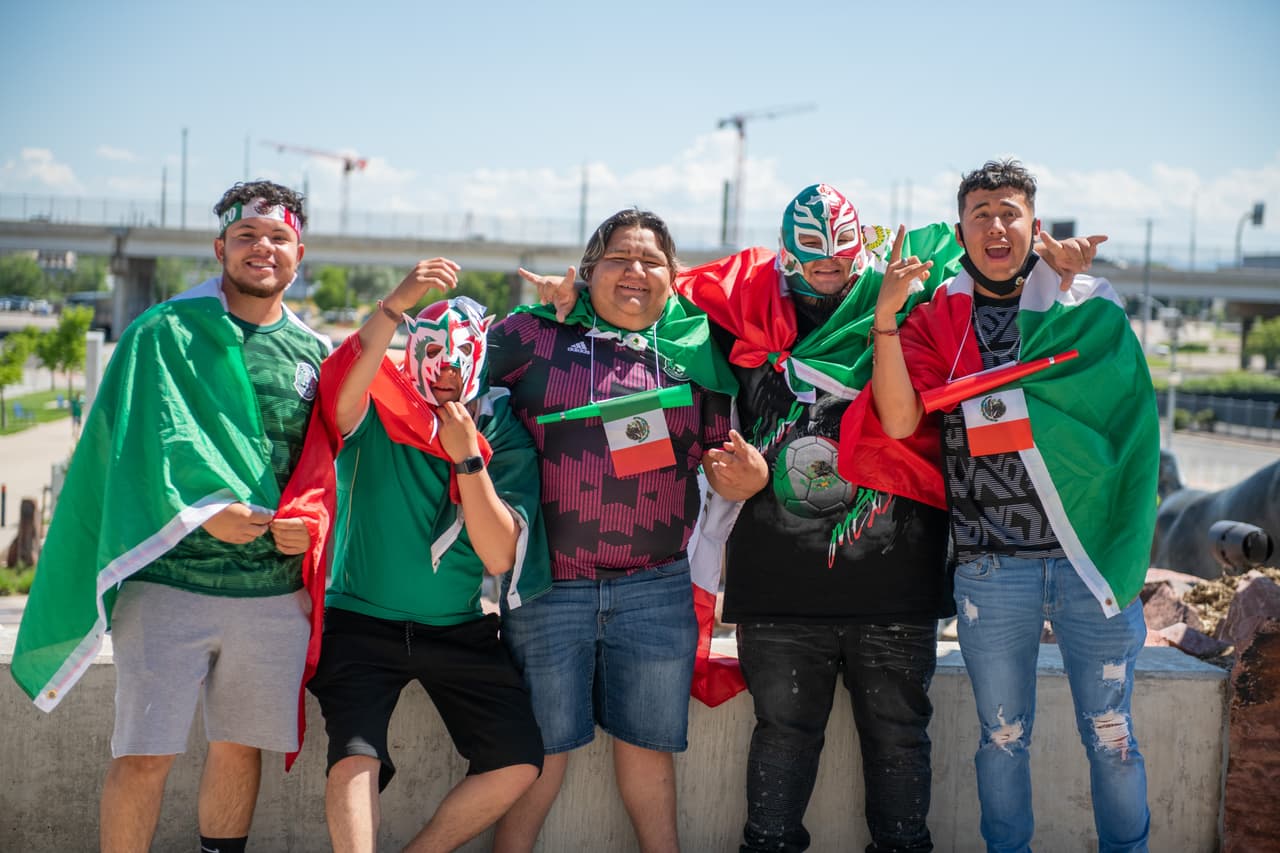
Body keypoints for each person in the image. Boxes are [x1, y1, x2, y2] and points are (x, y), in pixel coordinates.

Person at [12, 180, 331, 853]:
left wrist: (312, 523)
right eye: (246, 236)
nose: (262, 248)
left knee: (239, 749)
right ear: (220, 247)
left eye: (278, 237)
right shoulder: (161, 334)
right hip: (168, 587)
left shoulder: (316, 353)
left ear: (299, 254)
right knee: (143, 755)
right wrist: (200, 512)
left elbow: (325, 468)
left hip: (272, 593)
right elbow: (129, 447)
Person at [864, 159, 1154, 852]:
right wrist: (885, 317)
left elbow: (1125, 419)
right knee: (1001, 738)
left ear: (1034, 224)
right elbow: (900, 421)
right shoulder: (939, 317)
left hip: (1090, 561)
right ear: (961, 230)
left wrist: (1066, 285)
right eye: (981, 214)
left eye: (1009, 212)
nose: (996, 226)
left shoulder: (1084, 302)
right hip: (993, 569)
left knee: (1112, 735)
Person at [674, 184, 965, 853]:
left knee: (899, 738)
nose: (828, 259)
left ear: (861, 244)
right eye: (812, 248)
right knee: (782, 736)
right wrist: (572, 302)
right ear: (785, 251)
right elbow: (652, 312)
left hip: (897, 584)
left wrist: (1061, 276)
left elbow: (995, 285)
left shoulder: (911, 301)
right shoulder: (741, 312)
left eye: (841, 245)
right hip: (779, 589)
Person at [487, 208, 768, 853]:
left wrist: (747, 479)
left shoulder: (696, 353)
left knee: (649, 750)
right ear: (588, 271)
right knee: (537, 754)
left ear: (673, 277)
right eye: (618, 258)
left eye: (651, 261)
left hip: (656, 590)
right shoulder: (533, 333)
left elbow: (722, 460)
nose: (635, 270)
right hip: (548, 585)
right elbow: (444, 364)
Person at [304, 264, 550, 853]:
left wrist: (468, 458)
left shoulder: (500, 431)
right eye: (433, 351)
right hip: (361, 620)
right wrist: (396, 305)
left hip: (458, 629)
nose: (446, 367)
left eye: (460, 355)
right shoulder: (379, 406)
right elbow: (341, 390)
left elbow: (498, 556)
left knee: (518, 760)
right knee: (355, 754)